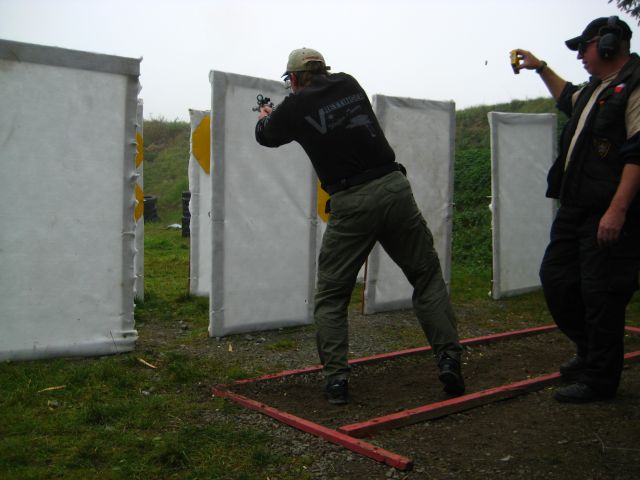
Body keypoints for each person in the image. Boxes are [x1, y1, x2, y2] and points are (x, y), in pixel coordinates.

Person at [255, 47, 465, 404]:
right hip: (394, 188)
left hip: (352, 201)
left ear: (294, 78)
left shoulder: (293, 106)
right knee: (426, 277)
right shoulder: (348, 83)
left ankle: (337, 381)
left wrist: (266, 116)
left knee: (331, 296)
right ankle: (449, 360)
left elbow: (266, 136)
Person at [513, 16, 640, 403]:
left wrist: (617, 210)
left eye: (584, 47)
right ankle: (590, 352)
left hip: (607, 210)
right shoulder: (595, 90)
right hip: (576, 209)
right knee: (557, 280)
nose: (581, 55)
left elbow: (638, 154)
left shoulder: (635, 86)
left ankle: (600, 379)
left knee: (601, 295)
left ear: (608, 44)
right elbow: (566, 97)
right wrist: (540, 68)